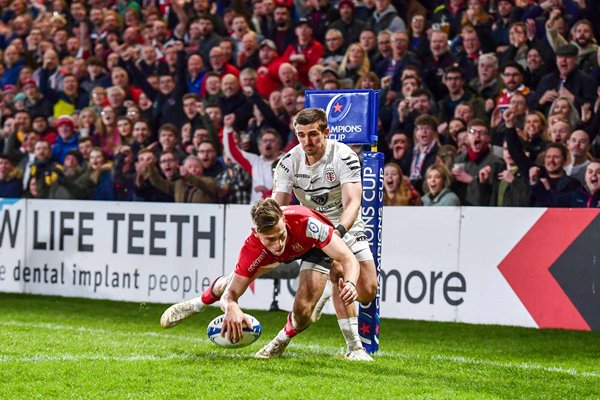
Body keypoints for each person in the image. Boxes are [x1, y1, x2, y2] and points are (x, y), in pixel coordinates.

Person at [160, 199, 363, 358]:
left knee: (303, 313)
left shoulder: (307, 224)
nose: (278, 243)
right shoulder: (252, 249)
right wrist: (232, 307)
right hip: (273, 256)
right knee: (228, 285)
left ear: (284, 220)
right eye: (271, 239)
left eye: (281, 235)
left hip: (314, 248)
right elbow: (231, 294)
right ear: (257, 233)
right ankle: (197, 304)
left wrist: (352, 283)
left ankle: (279, 342)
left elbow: (348, 258)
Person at [268, 108, 378, 360]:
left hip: (346, 225)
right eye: (301, 135)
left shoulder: (343, 156)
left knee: (367, 292)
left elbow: (353, 203)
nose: (307, 141)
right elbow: (278, 206)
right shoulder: (287, 163)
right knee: (338, 272)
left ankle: (330, 287)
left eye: (314, 134)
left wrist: (338, 232)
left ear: (326, 132)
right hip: (314, 230)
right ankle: (355, 349)